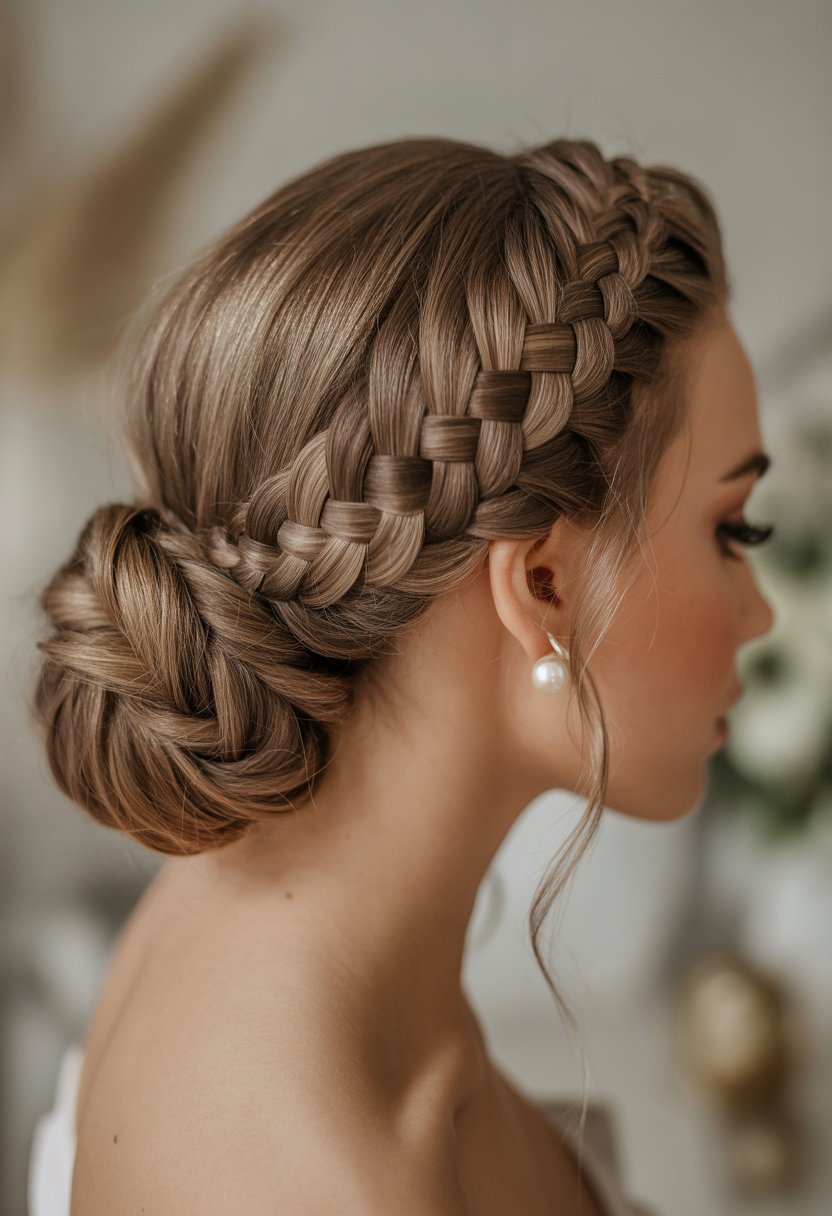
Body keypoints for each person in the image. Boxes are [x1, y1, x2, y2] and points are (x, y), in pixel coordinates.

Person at [27, 134, 775, 1215]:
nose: (757, 612)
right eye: (730, 527)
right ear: (545, 587)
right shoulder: (330, 1183)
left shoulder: (239, 894)